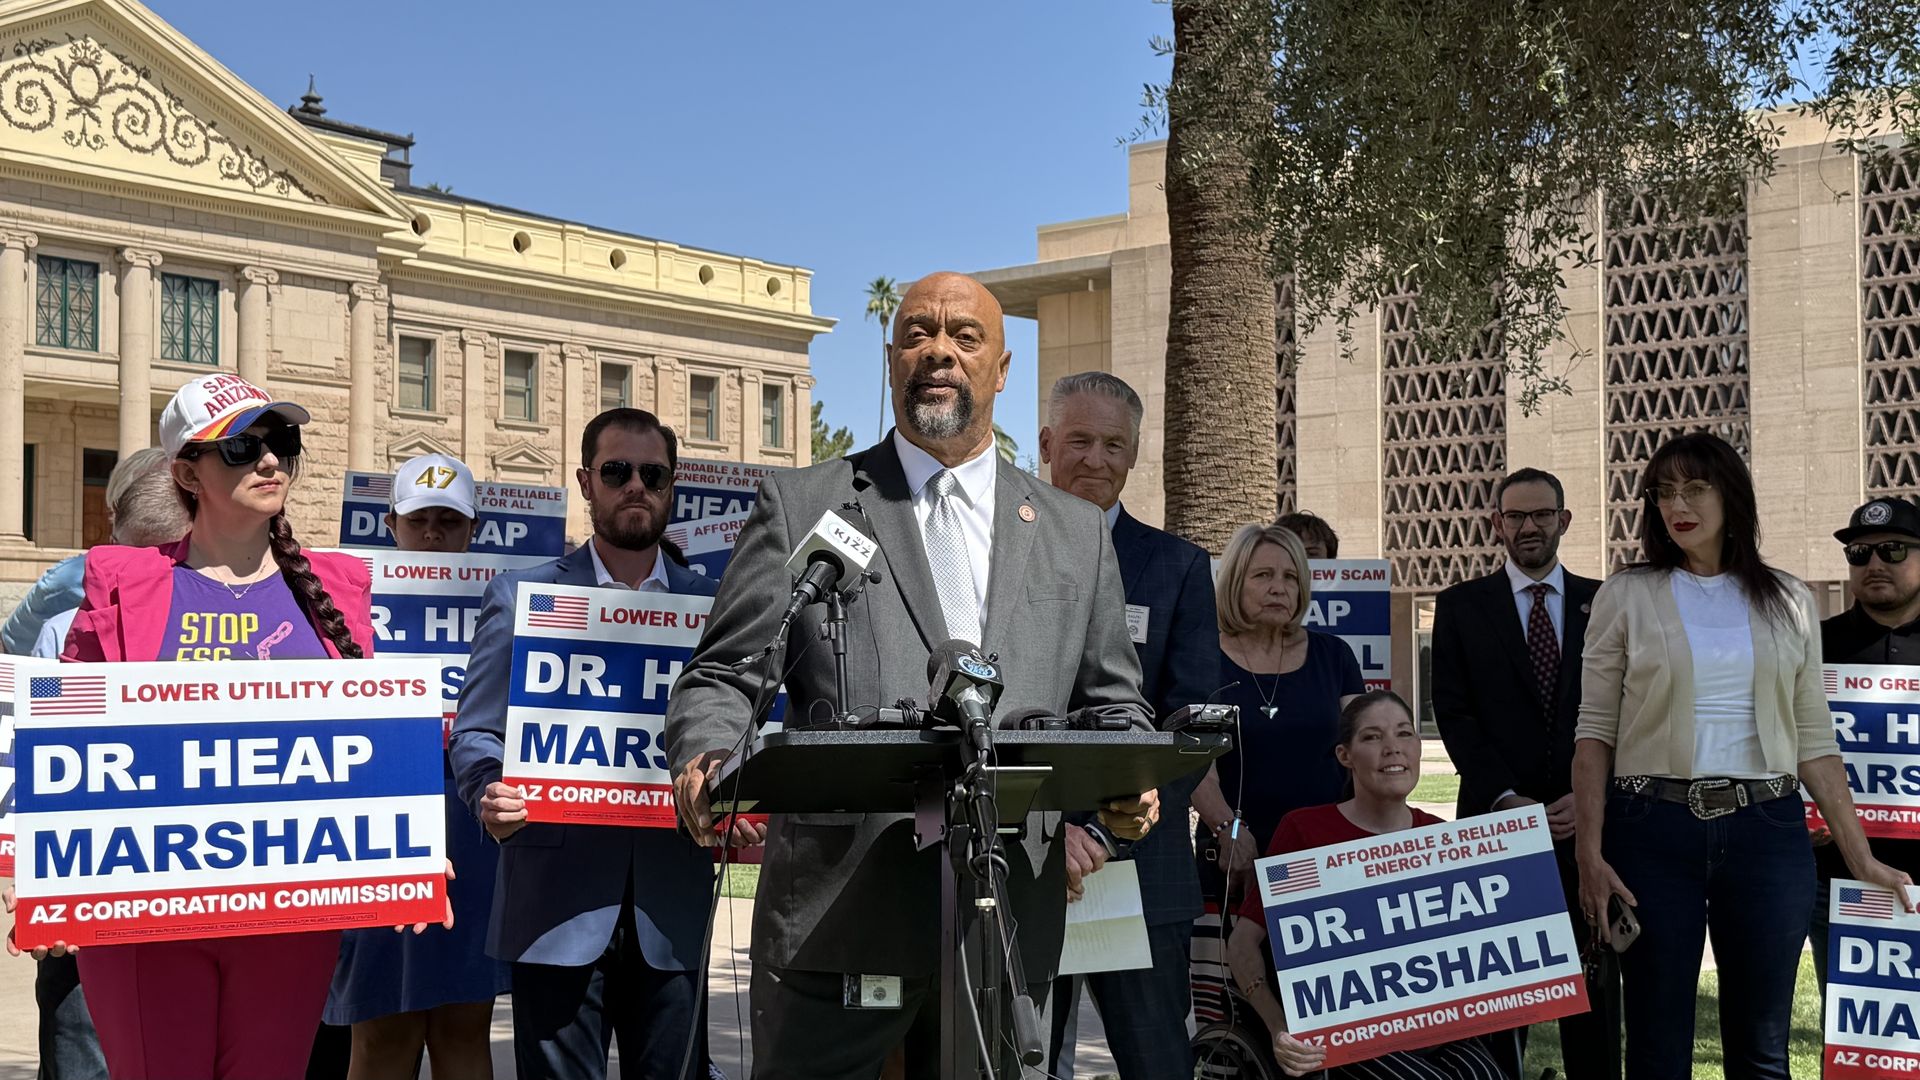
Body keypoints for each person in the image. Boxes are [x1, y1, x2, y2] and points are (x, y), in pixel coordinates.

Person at [665, 271, 1159, 1079]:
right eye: (917, 334)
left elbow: (1113, 703)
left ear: (1001, 369)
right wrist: (705, 754)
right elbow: (724, 674)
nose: (939, 351)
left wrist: (1132, 778)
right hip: (837, 919)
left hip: (1007, 927)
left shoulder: (1075, 532)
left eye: (965, 337)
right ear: (893, 360)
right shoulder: (807, 505)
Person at [49, 373, 396, 1078]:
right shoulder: (123, 587)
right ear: (186, 472)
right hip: (142, 912)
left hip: (287, 914)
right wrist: (25, 858)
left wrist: (409, 844)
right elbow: (63, 732)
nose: (269, 460)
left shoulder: (336, 592)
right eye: (240, 447)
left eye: (280, 442)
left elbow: (375, 741)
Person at [1573, 432, 1914, 1079]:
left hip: (1767, 830)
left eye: (1695, 487)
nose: (1679, 503)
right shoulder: (1627, 595)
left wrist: (1860, 854)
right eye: (1665, 491)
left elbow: (1814, 740)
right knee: (1656, 1047)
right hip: (1652, 830)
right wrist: (1590, 854)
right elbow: (1594, 736)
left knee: (1763, 1052)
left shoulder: (1788, 599)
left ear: (1731, 496)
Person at [448, 408, 720, 1080]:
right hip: (552, 909)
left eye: (652, 474)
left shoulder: (711, 608)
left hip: (674, 904)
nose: (636, 486)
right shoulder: (522, 595)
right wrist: (488, 790)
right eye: (617, 471)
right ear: (585, 481)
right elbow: (477, 730)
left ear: (671, 486)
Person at [1038, 371, 1218, 1079]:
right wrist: (1052, 832)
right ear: (1048, 443)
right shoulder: (997, 556)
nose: (1095, 459)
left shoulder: (1177, 567)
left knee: (1157, 1064)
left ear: (1135, 454)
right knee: (1018, 1061)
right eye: (1079, 440)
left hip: (1141, 868)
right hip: (1028, 861)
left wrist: (1111, 828)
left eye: (1114, 444)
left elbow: (1192, 716)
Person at [0, 446, 188, 1080]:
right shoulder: (63, 631)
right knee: (82, 1045)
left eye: (165, 558)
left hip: (203, 901)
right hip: (90, 906)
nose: (140, 576)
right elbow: (32, 745)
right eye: (132, 556)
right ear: (109, 536)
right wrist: (41, 883)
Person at [1431, 467, 1619, 1080]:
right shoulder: (1460, 607)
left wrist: (1582, 796)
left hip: (1588, 830)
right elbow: (1453, 714)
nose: (1529, 526)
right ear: (1497, 525)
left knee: (1593, 998)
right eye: (1516, 516)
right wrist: (1508, 799)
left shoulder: (1606, 602)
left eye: (1542, 515)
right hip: (1496, 829)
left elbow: (1627, 710)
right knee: (1498, 1005)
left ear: (1564, 521)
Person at [325, 454, 507, 1080]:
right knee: (380, 1034)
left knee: (463, 1031)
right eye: (419, 519)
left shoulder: (507, 602)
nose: (433, 534)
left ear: (474, 530)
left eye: (449, 522)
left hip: (473, 833)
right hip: (377, 834)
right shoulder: (344, 605)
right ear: (391, 526)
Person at [1227, 691, 1507, 1080]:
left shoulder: (1442, 840)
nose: (1393, 748)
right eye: (1373, 737)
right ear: (1345, 755)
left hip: (1440, 1026)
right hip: (1349, 1029)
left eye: (1405, 734)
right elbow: (1243, 942)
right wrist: (1280, 1028)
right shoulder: (1304, 833)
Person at [1192, 523, 1364, 900]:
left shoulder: (1334, 656)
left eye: (1290, 577)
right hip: (1235, 857)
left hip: (1327, 855)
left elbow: (1363, 750)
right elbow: (1199, 766)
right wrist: (1229, 831)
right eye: (1263, 575)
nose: (1279, 587)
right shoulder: (1204, 661)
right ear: (1236, 581)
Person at [1810, 496, 1920, 987]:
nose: (1874, 563)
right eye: (1860, 554)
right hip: (1836, 878)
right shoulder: (1811, 645)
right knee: (1858, 1041)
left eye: (1893, 550)